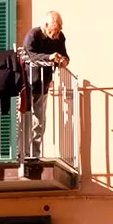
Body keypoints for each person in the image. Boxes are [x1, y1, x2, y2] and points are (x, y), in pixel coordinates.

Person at [22, 11, 69, 157]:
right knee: (25, 120)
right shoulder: (33, 35)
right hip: (27, 85)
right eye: (56, 28)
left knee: (40, 123)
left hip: (43, 85)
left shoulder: (60, 37)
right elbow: (30, 55)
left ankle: (35, 154)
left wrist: (64, 61)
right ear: (47, 25)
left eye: (60, 28)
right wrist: (49, 57)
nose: (58, 32)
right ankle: (23, 153)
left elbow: (65, 55)